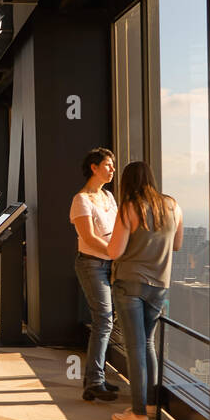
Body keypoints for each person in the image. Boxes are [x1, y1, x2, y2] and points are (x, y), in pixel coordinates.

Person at [107, 160, 183, 420]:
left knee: (135, 348)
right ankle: (150, 405)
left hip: (130, 284)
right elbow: (177, 245)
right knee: (147, 344)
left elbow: (114, 251)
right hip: (160, 286)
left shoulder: (129, 207)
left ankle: (138, 414)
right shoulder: (173, 206)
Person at [71, 148, 119, 403]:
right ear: (94, 167)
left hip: (110, 263)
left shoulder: (109, 196)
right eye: (108, 165)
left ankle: (94, 378)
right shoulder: (81, 200)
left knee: (107, 321)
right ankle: (94, 381)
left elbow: (119, 228)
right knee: (104, 320)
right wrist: (115, 253)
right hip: (92, 264)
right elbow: (89, 237)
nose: (112, 169)